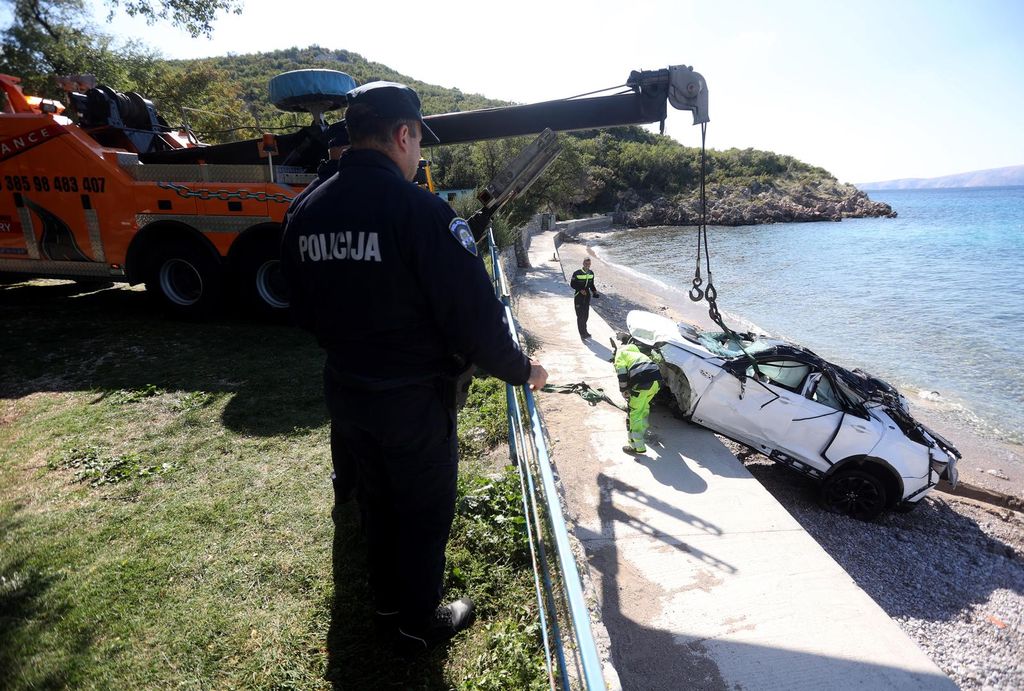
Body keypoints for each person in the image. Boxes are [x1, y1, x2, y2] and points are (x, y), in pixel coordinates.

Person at [279, 80, 548, 655]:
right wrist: (522, 370)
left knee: (375, 498)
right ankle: (417, 620)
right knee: (423, 511)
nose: (418, 154)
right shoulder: (422, 212)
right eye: (417, 142)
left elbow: (297, 308)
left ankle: (383, 598)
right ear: (403, 135)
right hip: (413, 401)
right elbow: (474, 319)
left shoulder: (303, 210)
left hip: (347, 388)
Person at [613, 342, 662, 454]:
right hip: (656, 384)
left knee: (634, 415)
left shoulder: (621, 354)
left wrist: (624, 390)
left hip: (642, 385)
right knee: (643, 409)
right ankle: (642, 431)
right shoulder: (639, 355)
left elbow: (622, 373)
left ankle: (636, 446)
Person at [569, 257, 600, 340]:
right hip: (578, 296)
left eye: (589, 264)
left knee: (586, 315)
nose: (587, 265)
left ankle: (585, 331)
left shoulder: (591, 273)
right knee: (580, 315)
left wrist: (594, 292)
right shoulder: (576, 273)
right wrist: (580, 290)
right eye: (586, 264)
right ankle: (582, 333)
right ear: (583, 263)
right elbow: (572, 284)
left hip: (587, 296)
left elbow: (591, 285)